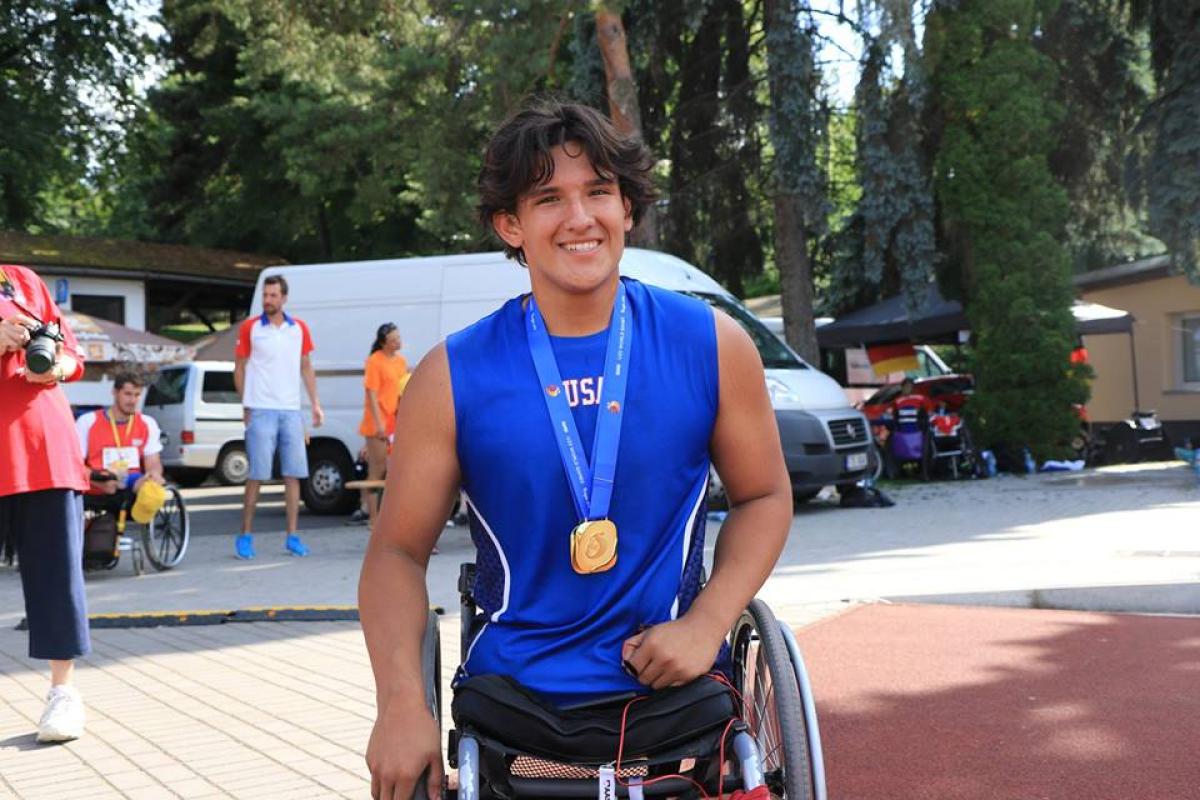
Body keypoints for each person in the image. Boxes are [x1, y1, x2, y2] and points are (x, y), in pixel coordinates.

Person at [359, 101, 793, 799]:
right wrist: (400, 705)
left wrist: (706, 622)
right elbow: (396, 554)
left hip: (676, 686)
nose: (580, 217)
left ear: (627, 208)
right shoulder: (451, 375)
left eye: (598, 191)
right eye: (548, 198)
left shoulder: (711, 344)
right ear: (512, 226)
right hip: (515, 697)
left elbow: (765, 496)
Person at [0, 264, 91, 743]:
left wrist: (56, 365)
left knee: (58, 576)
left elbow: (73, 355)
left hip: (44, 450)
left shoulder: (21, 280)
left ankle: (63, 694)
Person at [233, 275, 324, 559]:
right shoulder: (251, 328)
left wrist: (315, 405)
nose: (268, 300)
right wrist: (245, 403)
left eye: (273, 295)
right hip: (260, 408)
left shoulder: (298, 329)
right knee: (257, 473)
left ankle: (292, 537)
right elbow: (239, 367)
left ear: (284, 298)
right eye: (265, 295)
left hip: (291, 409)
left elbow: (306, 367)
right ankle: (245, 535)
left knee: (294, 474)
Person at [75, 371, 166, 509]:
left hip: (132, 482)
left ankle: (143, 520)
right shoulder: (88, 422)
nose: (133, 400)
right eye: (128, 394)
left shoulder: (148, 423)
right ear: (115, 392)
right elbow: (75, 464)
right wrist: (98, 482)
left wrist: (153, 474)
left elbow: (153, 461)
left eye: (137, 395)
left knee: (150, 487)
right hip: (99, 480)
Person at [356, 323, 410, 529]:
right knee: (377, 469)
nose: (398, 341)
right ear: (383, 343)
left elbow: (401, 392)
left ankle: (388, 518)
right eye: (394, 339)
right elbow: (371, 394)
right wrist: (380, 426)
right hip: (376, 424)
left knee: (395, 470)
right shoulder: (374, 361)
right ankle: (373, 519)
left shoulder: (401, 362)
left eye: (398, 337)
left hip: (394, 423)